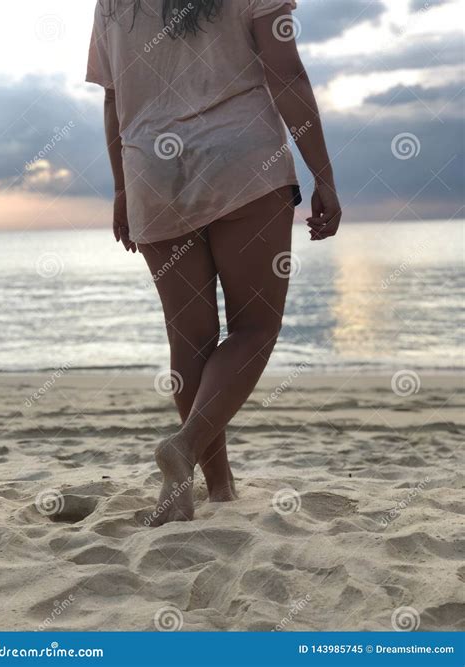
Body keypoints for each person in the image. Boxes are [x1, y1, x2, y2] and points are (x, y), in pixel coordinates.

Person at [86, 0, 341, 525]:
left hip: (151, 171)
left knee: (190, 340)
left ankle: (212, 488)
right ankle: (186, 444)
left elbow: (114, 100)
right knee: (254, 327)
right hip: (243, 162)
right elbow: (285, 71)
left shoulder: (111, 2)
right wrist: (324, 175)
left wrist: (120, 189)